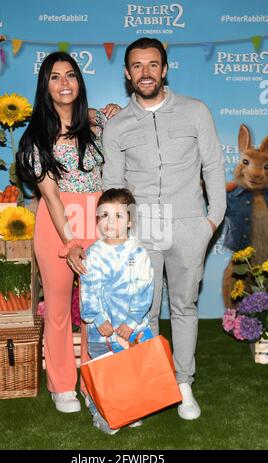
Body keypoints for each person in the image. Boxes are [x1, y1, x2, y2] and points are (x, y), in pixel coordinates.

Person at [102, 38, 226, 420]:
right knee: (144, 310)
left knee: (184, 306)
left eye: (153, 64)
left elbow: (214, 166)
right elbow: (112, 183)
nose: (145, 73)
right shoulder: (117, 125)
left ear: (165, 69)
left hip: (190, 222)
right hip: (143, 228)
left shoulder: (195, 112)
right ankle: (150, 387)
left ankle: (183, 383)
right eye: (137, 66)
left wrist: (211, 220)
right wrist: (120, 235)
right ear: (126, 74)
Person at [16, 51, 121, 413]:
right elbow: (52, 197)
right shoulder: (34, 138)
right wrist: (71, 243)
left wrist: (115, 114)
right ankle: (63, 385)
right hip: (57, 224)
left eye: (71, 75)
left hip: (98, 220)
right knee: (59, 308)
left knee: (97, 309)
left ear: (80, 81)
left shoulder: (97, 126)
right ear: (45, 85)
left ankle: (97, 381)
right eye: (55, 76)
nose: (64, 83)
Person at [80, 188, 154, 435]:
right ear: (97, 219)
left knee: (131, 373)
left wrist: (132, 322)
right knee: (106, 376)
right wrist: (97, 319)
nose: (111, 222)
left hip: (132, 331)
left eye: (119, 216)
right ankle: (99, 411)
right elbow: (88, 290)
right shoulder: (93, 253)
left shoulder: (139, 253)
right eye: (104, 215)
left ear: (131, 220)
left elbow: (145, 289)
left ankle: (130, 409)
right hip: (101, 333)